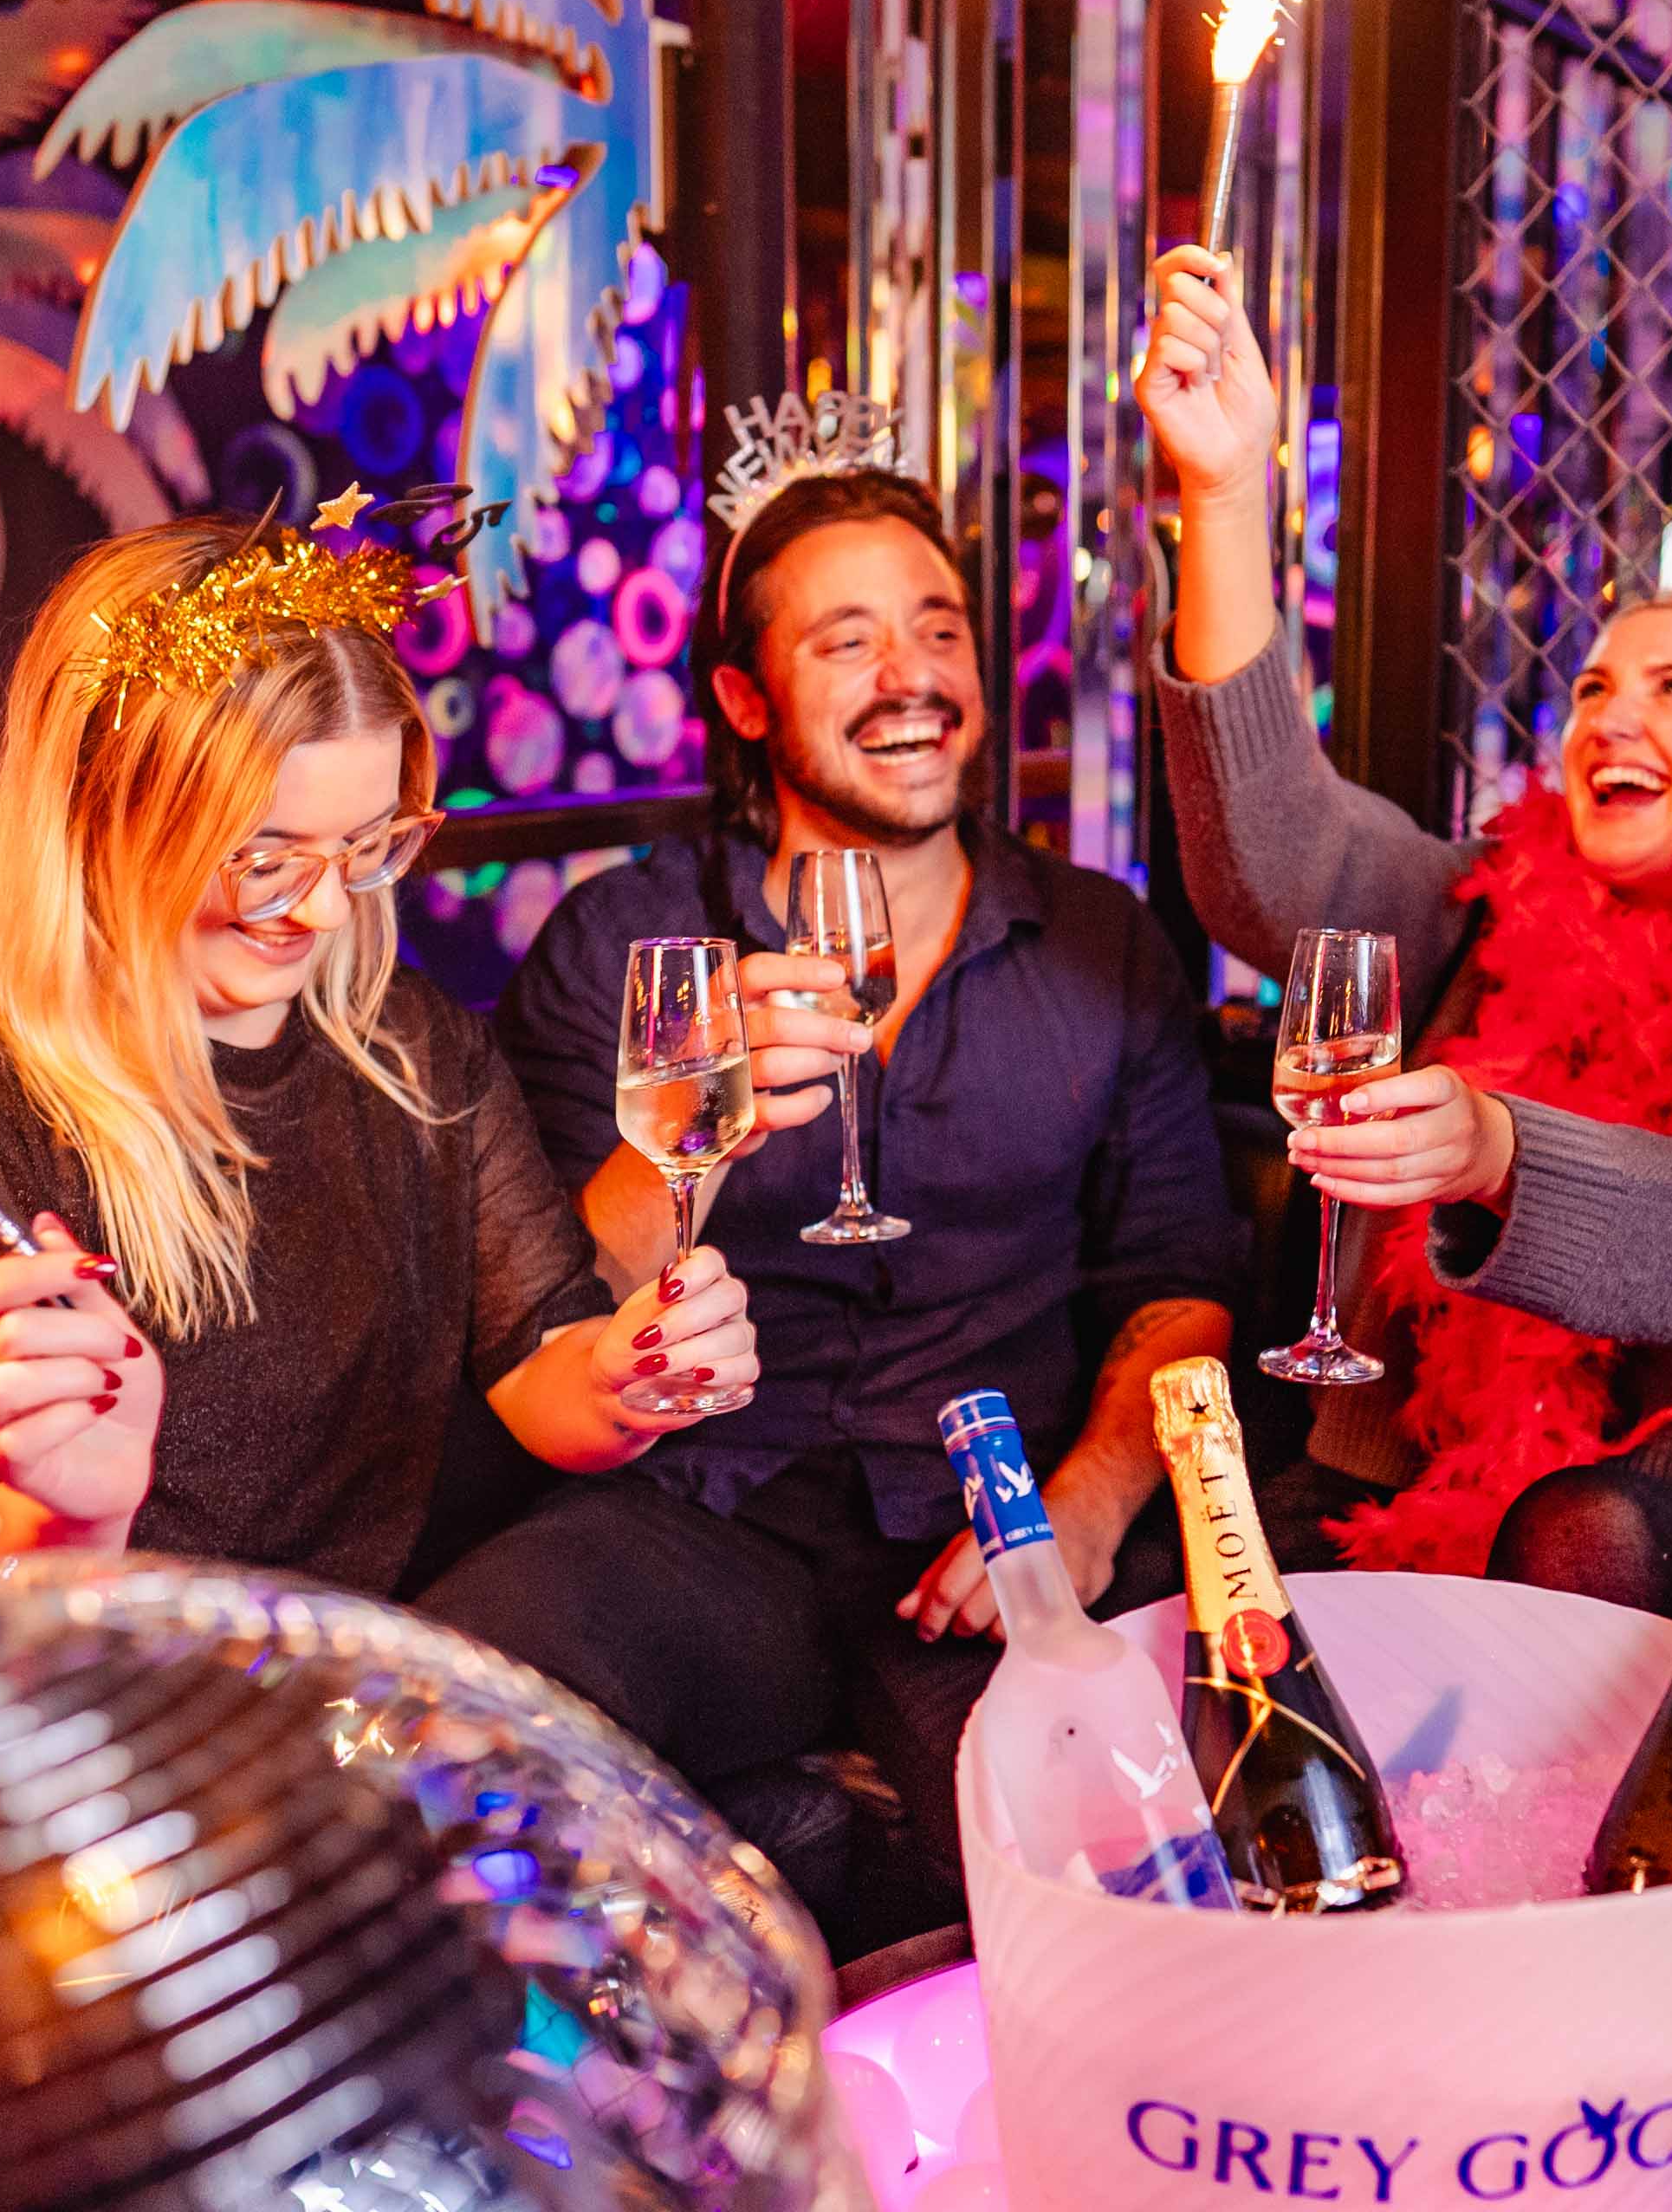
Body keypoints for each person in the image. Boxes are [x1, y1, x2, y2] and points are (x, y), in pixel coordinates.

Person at [485, 431, 1248, 1923]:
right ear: (746, 699)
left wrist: (1085, 1506)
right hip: (702, 1515)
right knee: (479, 1703)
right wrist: (690, 1139)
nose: (912, 674)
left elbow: (1181, 1285)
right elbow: (538, 1307)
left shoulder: (1104, 946)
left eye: (939, 628)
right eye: (849, 640)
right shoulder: (619, 946)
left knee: (1117, 1882)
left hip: (993, 1522)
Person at [1131, 244, 1672, 1666]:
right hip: (1414, 1499)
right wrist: (1225, 491)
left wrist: (1500, 1150)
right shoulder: (1484, 903)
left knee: (1584, 1536)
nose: (1610, 716)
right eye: (1596, 686)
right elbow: (1268, 853)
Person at [0, 510, 758, 1605]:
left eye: (367, 844)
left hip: (392, 1663)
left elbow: (539, 1361)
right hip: (138, 1708)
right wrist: (66, 1523)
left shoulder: (405, 1044)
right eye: (264, 856)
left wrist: (626, 1386)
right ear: (97, 818)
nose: (327, 907)